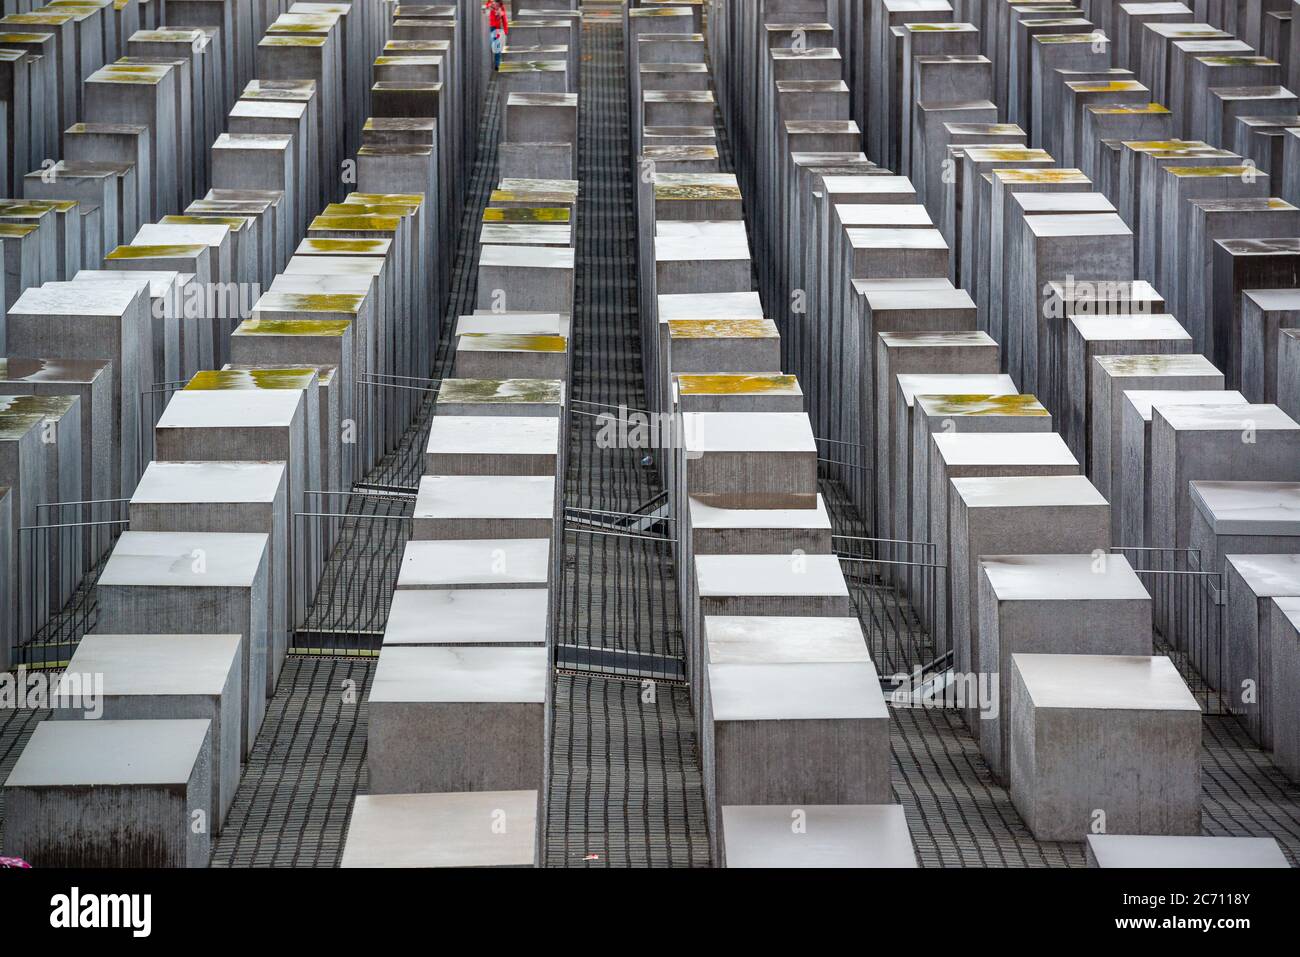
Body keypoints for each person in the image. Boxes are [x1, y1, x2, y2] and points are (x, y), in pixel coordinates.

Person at [487, 0, 509, 71]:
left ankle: (497, 64)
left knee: (497, 47)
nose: (496, 6)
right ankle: (494, 63)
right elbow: (488, 5)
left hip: (497, 29)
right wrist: (491, 7)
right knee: (492, 45)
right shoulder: (491, 4)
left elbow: (504, 19)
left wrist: (505, 31)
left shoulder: (501, 8)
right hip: (491, 28)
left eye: (498, 5)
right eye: (496, 4)